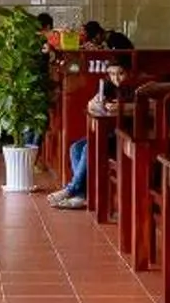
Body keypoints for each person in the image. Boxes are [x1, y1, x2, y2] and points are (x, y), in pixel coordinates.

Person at [50, 37, 125, 209]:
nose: (116, 78)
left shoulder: (136, 89)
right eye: (112, 74)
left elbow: (142, 107)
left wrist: (123, 107)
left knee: (87, 148)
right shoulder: (107, 86)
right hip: (108, 133)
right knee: (75, 147)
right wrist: (98, 103)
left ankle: (71, 190)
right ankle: (81, 195)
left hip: (124, 137)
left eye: (120, 73)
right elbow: (91, 105)